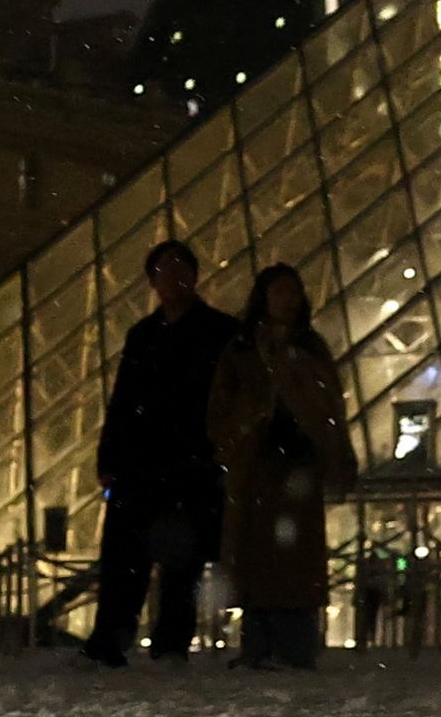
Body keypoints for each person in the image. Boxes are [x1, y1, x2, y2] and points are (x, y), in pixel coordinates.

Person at [87, 240, 244, 666]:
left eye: (180, 270)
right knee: (125, 559)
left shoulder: (222, 332)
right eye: (164, 271)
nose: (173, 279)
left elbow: (233, 402)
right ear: (153, 282)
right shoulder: (142, 335)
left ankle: (171, 643)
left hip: (191, 463)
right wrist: (108, 460)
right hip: (141, 463)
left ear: (194, 276)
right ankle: (111, 641)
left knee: (183, 560)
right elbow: (121, 403)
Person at [209, 264, 359, 669]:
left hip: (298, 462)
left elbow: (329, 404)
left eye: (292, 292)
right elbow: (222, 408)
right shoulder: (242, 349)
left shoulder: (310, 347)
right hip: (258, 462)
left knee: (294, 560)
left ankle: (294, 646)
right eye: (279, 292)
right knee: (259, 558)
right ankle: (260, 644)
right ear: (264, 297)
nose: (287, 300)